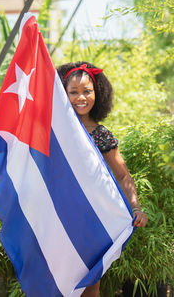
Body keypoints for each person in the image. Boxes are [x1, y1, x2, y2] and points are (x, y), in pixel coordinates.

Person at [57, 61, 148, 297]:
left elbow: (123, 176)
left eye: (87, 91)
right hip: (59, 220)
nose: (81, 97)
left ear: (98, 93)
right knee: (58, 284)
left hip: (92, 223)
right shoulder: (53, 133)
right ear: (62, 94)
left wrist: (136, 207)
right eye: (73, 92)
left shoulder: (102, 135)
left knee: (90, 285)